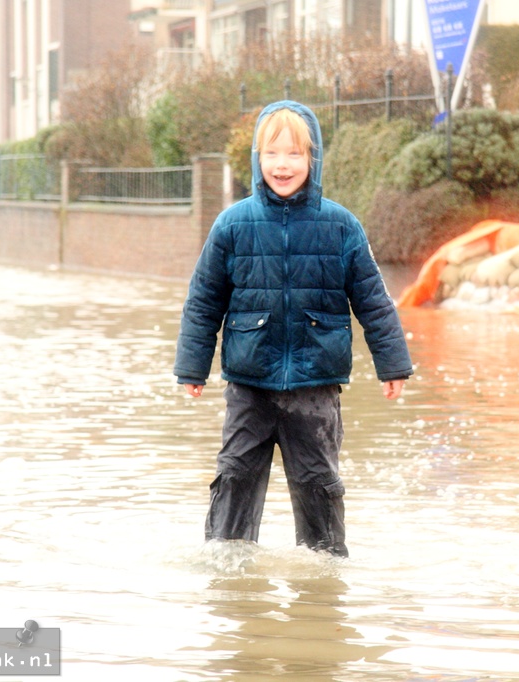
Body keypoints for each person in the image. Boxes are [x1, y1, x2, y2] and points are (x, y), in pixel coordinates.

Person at [174, 101, 413, 558]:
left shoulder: (341, 225)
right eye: (272, 154)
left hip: (316, 384)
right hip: (249, 383)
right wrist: (192, 368)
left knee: (317, 481)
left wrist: (392, 365)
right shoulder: (232, 224)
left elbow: (374, 301)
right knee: (235, 474)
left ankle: (325, 569)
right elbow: (203, 302)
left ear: (313, 159)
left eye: (294, 155)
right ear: (257, 160)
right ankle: (227, 565)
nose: (282, 165)